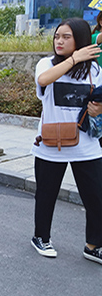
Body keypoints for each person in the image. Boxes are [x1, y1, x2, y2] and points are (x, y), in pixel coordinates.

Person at [30, 17, 102, 265]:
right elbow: (43, 80)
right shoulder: (46, 64)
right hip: (52, 144)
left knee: (96, 198)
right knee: (46, 195)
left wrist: (98, 109)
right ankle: (41, 237)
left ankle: (93, 245)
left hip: (86, 145)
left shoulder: (94, 71)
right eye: (57, 36)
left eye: (66, 37)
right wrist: (74, 59)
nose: (59, 41)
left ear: (80, 39)